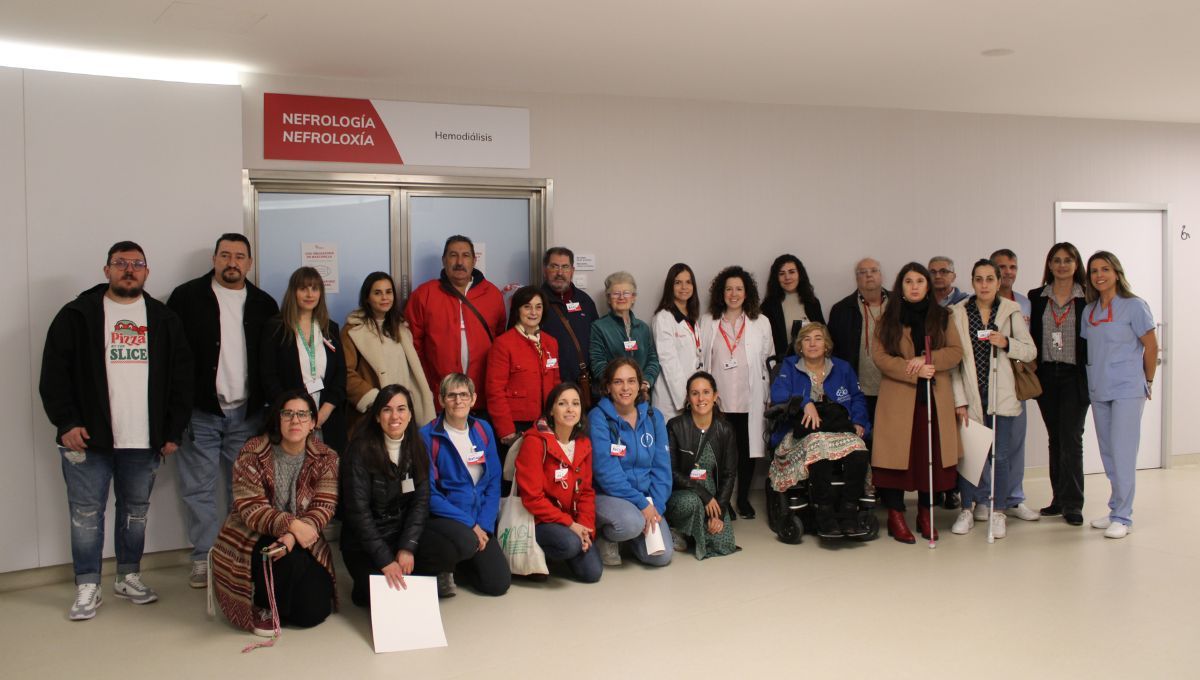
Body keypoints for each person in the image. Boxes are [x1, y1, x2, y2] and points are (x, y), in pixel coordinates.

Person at [39, 241, 192, 620]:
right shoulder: (77, 315)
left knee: (135, 513)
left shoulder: (164, 319)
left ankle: (128, 576)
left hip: (144, 439)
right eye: (120, 263)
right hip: (87, 439)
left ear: (147, 272)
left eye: (136, 264)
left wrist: (173, 430)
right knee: (86, 514)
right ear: (106, 270)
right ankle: (87, 585)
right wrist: (67, 423)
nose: (129, 269)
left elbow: (181, 378)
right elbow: (54, 374)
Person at [167, 233, 279, 588]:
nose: (232, 262)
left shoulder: (264, 303)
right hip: (201, 412)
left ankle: (237, 555)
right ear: (215, 258)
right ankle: (203, 557)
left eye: (239, 256)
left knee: (243, 491)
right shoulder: (186, 298)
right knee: (198, 488)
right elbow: (170, 358)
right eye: (225, 255)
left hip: (247, 415)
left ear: (250, 263)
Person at [211, 390, 338, 635]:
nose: (295, 421)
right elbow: (251, 509)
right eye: (287, 414)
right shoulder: (253, 451)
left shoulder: (327, 457)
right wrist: (292, 525)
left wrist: (293, 535)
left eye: (302, 415)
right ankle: (262, 603)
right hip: (253, 536)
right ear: (278, 420)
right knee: (285, 560)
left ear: (313, 422)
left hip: (302, 535)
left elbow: (325, 505)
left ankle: (282, 599)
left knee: (314, 612)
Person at [870, 263, 964, 544]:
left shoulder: (944, 316)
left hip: (934, 400)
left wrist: (928, 359)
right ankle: (896, 515)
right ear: (901, 286)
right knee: (897, 459)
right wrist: (912, 369)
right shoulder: (886, 319)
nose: (914, 286)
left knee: (930, 458)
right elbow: (880, 357)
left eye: (919, 281)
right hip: (899, 398)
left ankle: (926, 512)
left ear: (927, 285)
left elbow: (956, 352)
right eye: (908, 281)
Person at [948, 260, 1036, 539]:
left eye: (989, 279)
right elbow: (955, 363)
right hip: (972, 394)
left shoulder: (1011, 311)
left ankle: (998, 512)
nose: (984, 285)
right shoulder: (958, 313)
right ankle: (967, 508)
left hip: (1002, 394)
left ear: (999, 282)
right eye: (979, 279)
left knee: (1001, 456)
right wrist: (959, 400)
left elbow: (1030, 351)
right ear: (972, 282)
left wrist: (1007, 343)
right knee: (970, 457)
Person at [768, 323, 871, 538]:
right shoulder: (788, 367)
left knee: (859, 449)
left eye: (818, 338)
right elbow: (778, 396)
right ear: (800, 346)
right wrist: (805, 402)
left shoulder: (842, 368)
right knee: (819, 446)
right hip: (801, 432)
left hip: (838, 429)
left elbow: (858, 398)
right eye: (807, 339)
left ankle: (849, 510)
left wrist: (860, 422)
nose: (812, 343)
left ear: (827, 345)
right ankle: (824, 513)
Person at [1080, 251, 1156, 539]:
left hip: (1127, 388)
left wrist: (1147, 380)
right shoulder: (1089, 311)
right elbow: (1093, 349)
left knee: (1123, 453)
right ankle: (1115, 508)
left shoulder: (1135, 306)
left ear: (1116, 273)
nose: (1099, 275)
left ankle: (1123, 516)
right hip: (1099, 387)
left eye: (1105, 269)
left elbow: (1151, 346)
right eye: (1094, 271)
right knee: (1108, 452)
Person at [339, 385, 431, 607]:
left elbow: (420, 502)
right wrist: (386, 560)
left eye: (401, 409)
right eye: (387, 410)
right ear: (378, 417)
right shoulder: (359, 451)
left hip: (398, 536)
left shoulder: (417, 446)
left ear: (410, 414)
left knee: (446, 547)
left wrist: (407, 547)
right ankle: (365, 585)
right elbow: (357, 513)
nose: (395, 416)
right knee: (382, 600)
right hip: (363, 544)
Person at [418, 374, 510, 596]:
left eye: (463, 395)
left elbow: (493, 483)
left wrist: (484, 526)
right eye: (451, 395)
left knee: (498, 584)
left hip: (479, 520)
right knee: (466, 540)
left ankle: (462, 567)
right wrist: (470, 524)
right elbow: (430, 494)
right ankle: (442, 565)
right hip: (446, 519)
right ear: (441, 400)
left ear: (473, 398)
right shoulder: (427, 436)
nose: (458, 401)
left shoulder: (483, 430)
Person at [698, 266, 773, 519]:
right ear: (721, 292)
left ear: (747, 292)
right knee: (719, 452)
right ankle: (723, 500)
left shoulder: (760, 322)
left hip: (748, 397)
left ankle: (742, 499)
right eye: (728, 289)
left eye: (739, 289)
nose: (734, 294)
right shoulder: (708, 321)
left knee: (747, 449)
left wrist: (769, 395)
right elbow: (700, 358)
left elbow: (768, 360)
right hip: (718, 399)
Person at [406, 235, 506, 416]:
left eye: (466, 255)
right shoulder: (424, 294)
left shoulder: (492, 294)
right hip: (439, 397)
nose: (459, 262)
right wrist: (427, 384)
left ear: (474, 260)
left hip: (482, 398)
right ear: (444, 260)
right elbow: (413, 346)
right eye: (453, 255)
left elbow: (500, 343)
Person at [588, 358, 674, 567]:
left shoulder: (654, 416)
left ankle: (632, 537)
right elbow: (606, 473)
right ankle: (606, 537)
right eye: (618, 382)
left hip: (646, 501)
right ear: (608, 387)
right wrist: (642, 505)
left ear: (639, 385)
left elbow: (662, 469)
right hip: (608, 495)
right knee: (629, 523)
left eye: (631, 381)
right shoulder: (598, 418)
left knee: (662, 557)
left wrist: (657, 508)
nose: (625, 388)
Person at [514, 383, 602, 583]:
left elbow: (586, 492)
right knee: (570, 544)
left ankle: (565, 545)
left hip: (571, 523)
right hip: (539, 521)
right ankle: (544, 552)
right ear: (551, 411)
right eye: (562, 404)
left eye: (575, 403)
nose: (570, 409)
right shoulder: (535, 442)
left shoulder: (583, 443)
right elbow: (533, 499)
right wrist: (571, 525)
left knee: (592, 573)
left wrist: (586, 528)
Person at [1028, 242, 1090, 525]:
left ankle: (1074, 504)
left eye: (1068, 260)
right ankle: (1058, 499)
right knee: (1055, 438)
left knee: (1072, 439)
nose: (1062, 265)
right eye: (1056, 260)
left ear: (1076, 264)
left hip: (1074, 376)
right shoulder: (1037, 297)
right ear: (1049, 265)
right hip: (1046, 376)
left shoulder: (1088, 297)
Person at [260, 267, 347, 454]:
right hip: (290, 422)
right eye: (303, 288)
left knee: (327, 479)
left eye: (315, 289)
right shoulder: (276, 328)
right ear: (293, 292)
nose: (310, 294)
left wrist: (324, 412)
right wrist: (294, 413)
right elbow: (269, 377)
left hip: (327, 421)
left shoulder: (330, 328)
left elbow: (340, 374)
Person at [342, 272, 435, 436]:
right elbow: (345, 372)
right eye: (377, 293)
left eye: (388, 292)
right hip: (372, 414)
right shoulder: (353, 330)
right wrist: (376, 400)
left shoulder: (402, 329)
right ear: (367, 298)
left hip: (402, 414)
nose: (384, 297)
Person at [989, 248, 1039, 522]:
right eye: (1002, 267)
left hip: (1016, 381)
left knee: (1016, 442)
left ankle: (1014, 498)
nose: (1008, 272)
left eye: (1012, 267)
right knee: (987, 445)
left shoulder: (1025, 302)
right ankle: (986, 498)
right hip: (987, 381)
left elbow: (1030, 343)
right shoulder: (978, 302)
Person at [666, 372, 737, 558]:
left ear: (715, 396)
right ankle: (676, 528)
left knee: (723, 545)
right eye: (695, 393)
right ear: (688, 398)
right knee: (692, 503)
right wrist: (704, 496)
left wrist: (719, 512)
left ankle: (690, 534)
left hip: (714, 499)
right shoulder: (675, 426)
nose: (701, 398)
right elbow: (671, 472)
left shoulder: (725, 429)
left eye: (706, 392)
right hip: (683, 494)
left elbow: (729, 474)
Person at [486, 286, 561, 447]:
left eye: (538, 307)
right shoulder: (503, 344)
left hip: (547, 421)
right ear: (517, 310)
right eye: (527, 307)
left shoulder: (551, 342)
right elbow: (495, 391)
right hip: (516, 426)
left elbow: (556, 384)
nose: (533, 312)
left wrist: (558, 419)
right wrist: (506, 430)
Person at [827, 257, 889, 427]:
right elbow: (833, 352)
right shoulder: (841, 310)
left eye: (874, 271)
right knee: (862, 438)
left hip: (893, 387)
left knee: (891, 438)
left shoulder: (898, 305)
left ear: (881, 275)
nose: (869, 275)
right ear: (856, 278)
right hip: (857, 390)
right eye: (863, 272)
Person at [589, 271, 660, 397]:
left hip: (642, 396)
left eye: (626, 293)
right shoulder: (599, 327)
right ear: (609, 298)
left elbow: (653, 359)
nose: (621, 297)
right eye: (616, 293)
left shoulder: (642, 328)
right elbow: (598, 364)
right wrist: (620, 386)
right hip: (613, 396)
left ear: (633, 298)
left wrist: (645, 383)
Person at [539, 247, 598, 399]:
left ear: (572, 270)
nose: (560, 273)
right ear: (544, 270)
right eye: (554, 266)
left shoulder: (586, 302)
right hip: (545, 387)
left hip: (581, 387)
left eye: (565, 267)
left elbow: (597, 343)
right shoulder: (534, 301)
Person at [652, 263, 702, 420]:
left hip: (692, 394)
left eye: (688, 282)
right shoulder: (663, 318)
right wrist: (685, 398)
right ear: (670, 286)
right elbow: (669, 361)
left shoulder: (692, 317)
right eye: (678, 282)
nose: (684, 287)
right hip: (672, 399)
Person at [762, 254, 825, 358]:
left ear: (800, 274)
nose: (787, 277)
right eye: (782, 274)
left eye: (792, 272)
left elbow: (823, 334)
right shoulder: (768, 307)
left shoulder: (812, 302)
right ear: (776, 278)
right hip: (785, 366)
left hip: (814, 362)